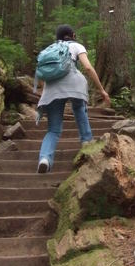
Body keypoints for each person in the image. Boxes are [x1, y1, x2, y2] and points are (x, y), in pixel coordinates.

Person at [36, 24, 110, 173]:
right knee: (80, 110)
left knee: (53, 130)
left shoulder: (50, 49)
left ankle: (45, 158)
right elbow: (88, 67)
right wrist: (102, 90)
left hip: (52, 89)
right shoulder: (76, 46)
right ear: (73, 35)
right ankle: (86, 144)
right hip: (75, 85)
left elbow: (41, 74)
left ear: (57, 37)